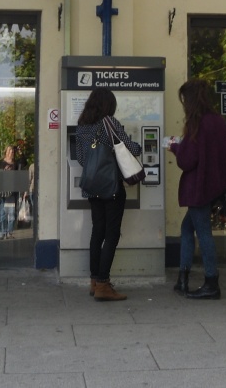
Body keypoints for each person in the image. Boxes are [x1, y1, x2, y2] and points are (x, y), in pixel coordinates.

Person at [75, 87, 142, 302]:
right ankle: (104, 284)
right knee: (112, 234)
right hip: (111, 187)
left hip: (92, 187)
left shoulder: (82, 126)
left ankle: (95, 282)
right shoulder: (109, 123)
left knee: (98, 233)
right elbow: (132, 148)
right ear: (108, 105)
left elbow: (81, 159)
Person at [169, 79, 226, 300]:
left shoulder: (197, 123)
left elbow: (187, 160)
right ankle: (183, 279)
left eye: (185, 99)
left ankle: (211, 283)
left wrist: (175, 147)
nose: (184, 104)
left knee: (203, 232)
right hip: (213, 185)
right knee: (187, 228)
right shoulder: (218, 121)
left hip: (199, 187)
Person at [0, 144, 21, 239]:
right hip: (2, 191)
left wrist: (20, 152)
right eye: (10, 151)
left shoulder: (16, 163)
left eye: (13, 151)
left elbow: (24, 162)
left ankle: (9, 232)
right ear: (6, 152)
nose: (11, 153)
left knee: (11, 213)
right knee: (2, 213)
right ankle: (2, 232)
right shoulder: (1, 163)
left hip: (12, 191)